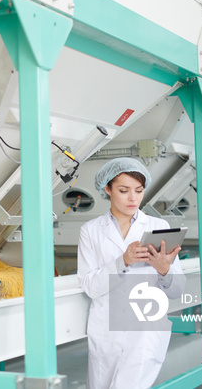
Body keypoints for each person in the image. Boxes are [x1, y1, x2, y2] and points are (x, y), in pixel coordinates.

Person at [77, 157, 186, 389]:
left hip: (145, 331)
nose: (133, 198)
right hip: (106, 332)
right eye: (124, 190)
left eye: (138, 190)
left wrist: (165, 270)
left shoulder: (159, 228)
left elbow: (177, 291)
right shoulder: (90, 231)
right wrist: (123, 261)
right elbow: (90, 286)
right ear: (107, 189)